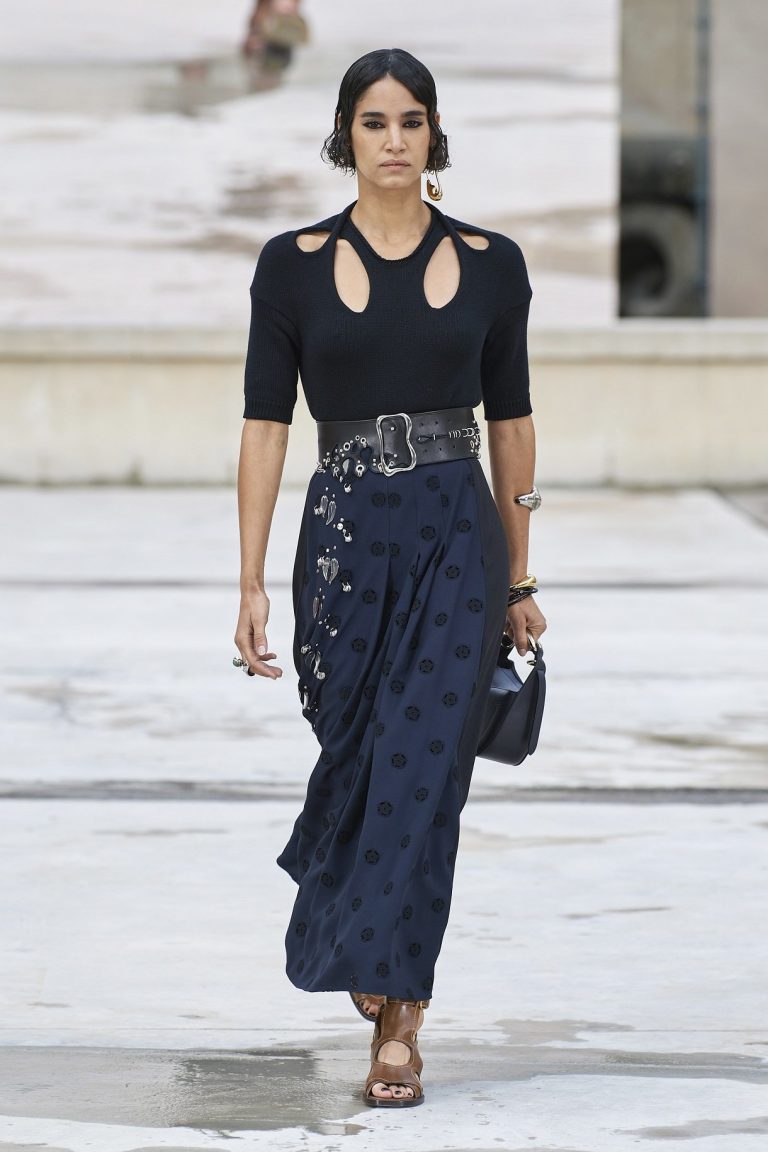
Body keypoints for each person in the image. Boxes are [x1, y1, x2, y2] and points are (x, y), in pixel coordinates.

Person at [234, 47, 547, 1108]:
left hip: (457, 533)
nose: (395, 140)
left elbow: (514, 423)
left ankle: (401, 1020)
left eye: (412, 120)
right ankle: (368, 918)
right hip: (344, 538)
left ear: (434, 133)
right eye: (374, 122)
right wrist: (249, 582)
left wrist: (518, 580)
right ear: (346, 136)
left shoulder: (495, 263)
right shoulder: (289, 265)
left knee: (426, 773)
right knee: (359, 755)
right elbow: (265, 427)